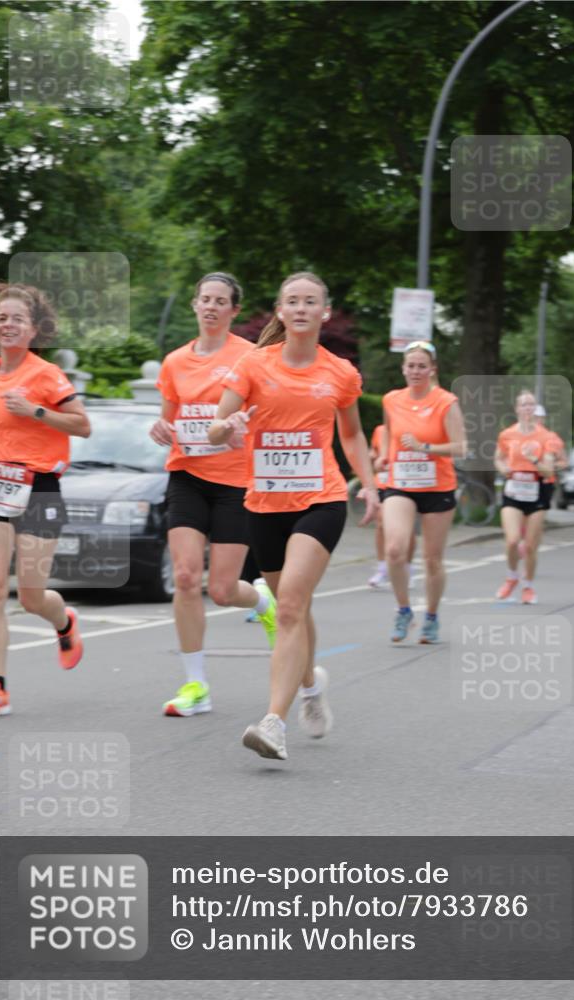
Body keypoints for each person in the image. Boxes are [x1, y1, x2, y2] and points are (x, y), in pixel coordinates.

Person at [208, 271, 378, 761]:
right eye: (292, 301)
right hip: (265, 505)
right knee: (291, 607)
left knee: (289, 607)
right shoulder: (252, 364)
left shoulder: (340, 373)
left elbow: (351, 436)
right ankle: (310, 686)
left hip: (320, 500)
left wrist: (368, 485)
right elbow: (216, 428)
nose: (301, 308)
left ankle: (273, 723)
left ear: (324, 313)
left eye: (311, 302)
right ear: (280, 312)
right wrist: (231, 426)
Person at [149, 272, 277, 718]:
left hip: (234, 480)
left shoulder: (251, 357)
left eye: (220, 301)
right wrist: (160, 429)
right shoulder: (174, 362)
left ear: (234, 311)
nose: (211, 307)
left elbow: (266, 413)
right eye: (204, 299)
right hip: (186, 475)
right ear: (194, 304)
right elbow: (168, 419)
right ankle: (195, 685)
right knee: (185, 577)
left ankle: (262, 602)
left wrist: (245, 429)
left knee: (222, 589)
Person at [0, 283, 90, 717]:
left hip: (40, 486)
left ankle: (64, 622)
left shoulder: (46, 375)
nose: (8, 324)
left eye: (17, 319)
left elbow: (82, 426)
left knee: (30, 596)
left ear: (34, 329)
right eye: (2, 318)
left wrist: (36, 411)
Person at [379, 341, 466, 643]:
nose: (415, 371)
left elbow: (460, 447)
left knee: (432, 559)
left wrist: (425, 447)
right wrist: (383, 454)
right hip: (400, 483)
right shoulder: (391, 399)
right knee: (394, 549)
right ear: (403, 368)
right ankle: (403, 610)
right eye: (411, 366)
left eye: (421, 366)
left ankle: (431, 615)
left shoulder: (446, 402)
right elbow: (389, 430)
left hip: (437, 487)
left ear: (432, 370)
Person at [494, 390, 555, 605]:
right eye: (524, 405)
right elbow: (498, 459)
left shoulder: (545, 436)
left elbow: (548, 470)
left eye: (531, 405)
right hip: (513, 490)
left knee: (529, 546)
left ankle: (527, 585)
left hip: (536, 492)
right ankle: (512, 576)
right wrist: (504, 469)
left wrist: (533, 460)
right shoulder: (507, 434)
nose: (528, 408)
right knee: (512, 540)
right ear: (517, 409)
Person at [367, 423, 415, 588]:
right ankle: (382, 567)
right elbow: (374, 450)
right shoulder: (379, 430)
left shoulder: (413, 428)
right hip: (383, 481)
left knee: (406, 529)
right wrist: (372, 456)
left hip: (403, 482)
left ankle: (407, 567)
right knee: (380, 524)